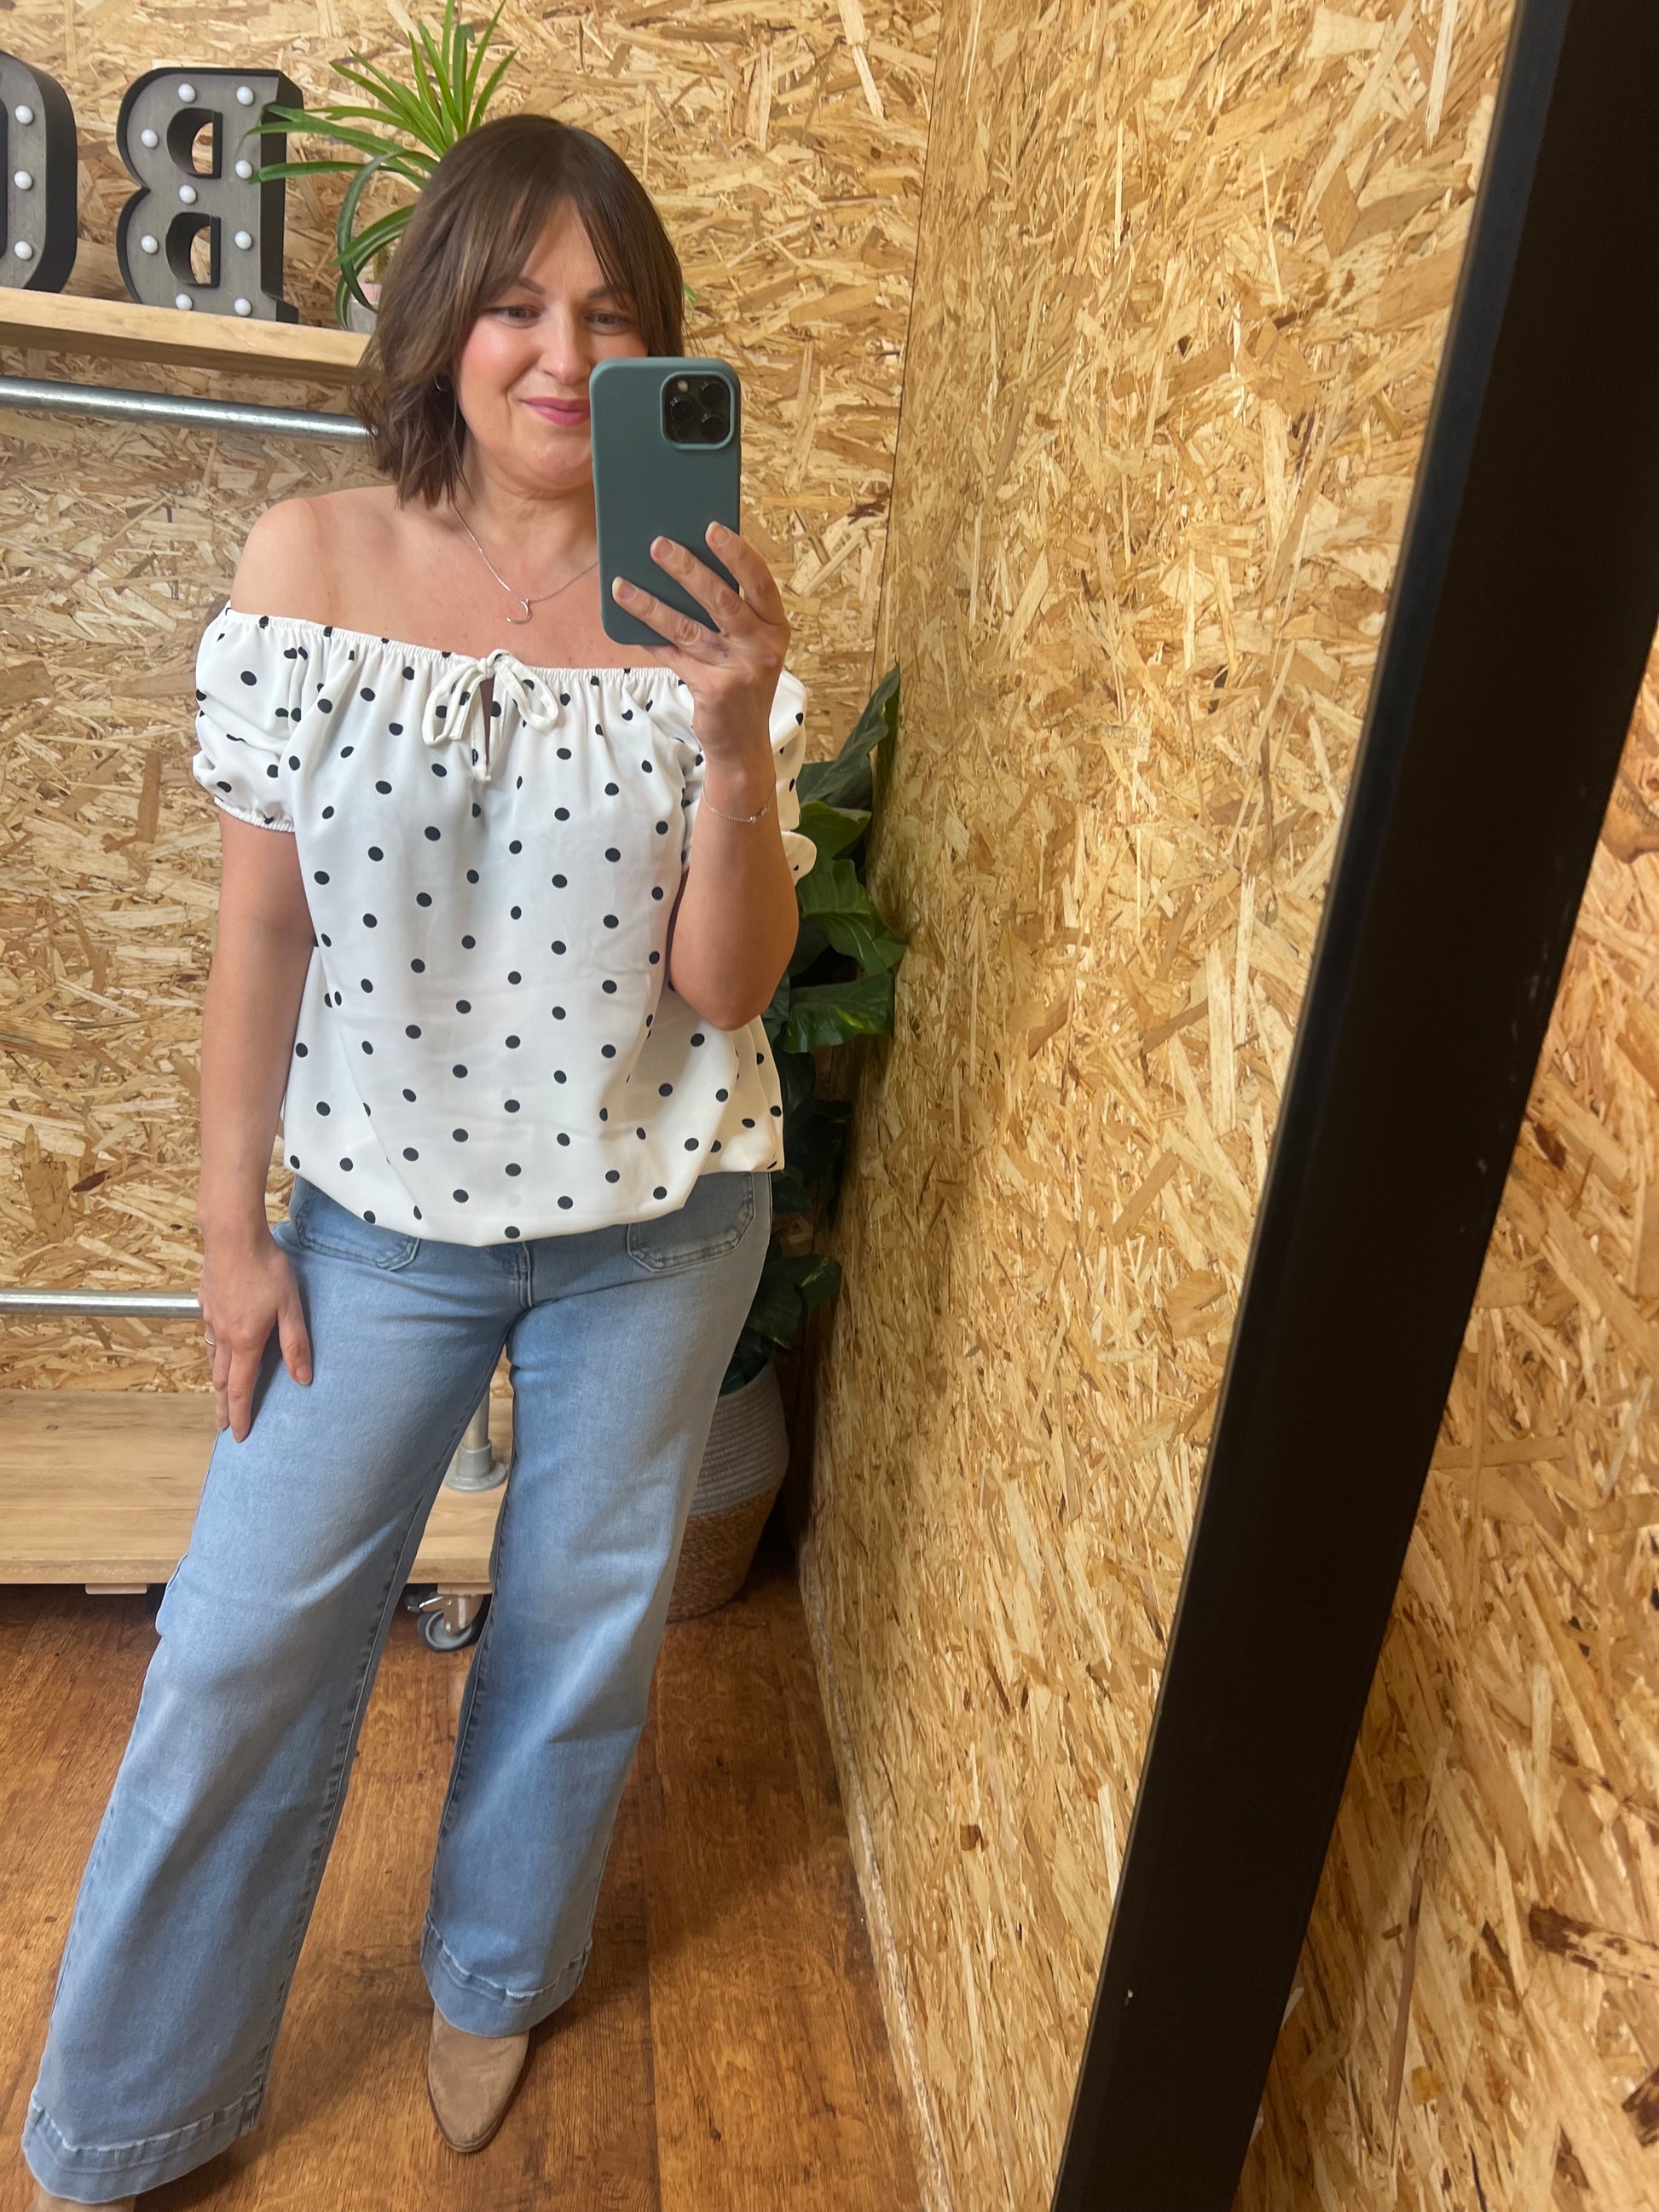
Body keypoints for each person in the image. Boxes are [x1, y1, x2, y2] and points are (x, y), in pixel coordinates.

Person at [23, 112, 817, 2208]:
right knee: (238, 1645)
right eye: (518, 303)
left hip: (662, 1221)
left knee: (578, 1629)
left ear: (658, 353)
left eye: (612, 314)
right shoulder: (311, 564)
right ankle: (129, 2106)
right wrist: (229, 1232)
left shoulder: (699, 600)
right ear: (443, 318)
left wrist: (733, 737)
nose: (562, 353)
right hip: (377, 1224)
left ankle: (496, 1968)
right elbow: (260, 931)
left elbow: (727, 985)